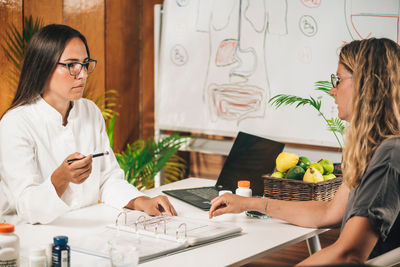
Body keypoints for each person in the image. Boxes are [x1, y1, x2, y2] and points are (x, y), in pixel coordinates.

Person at [209, 38, 400, 264]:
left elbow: (348, 254)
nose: (332, 90)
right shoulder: (373, 150)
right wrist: (250, 203)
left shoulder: (389, 156)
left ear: (366, 84)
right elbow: (328, 213)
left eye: (338, 80)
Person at [0, 24, 177, 224]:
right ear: (44, 67)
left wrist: (141, 201)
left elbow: (108, 178)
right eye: (72, 65)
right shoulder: (16, 123)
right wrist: (61, 178)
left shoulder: (89, 111)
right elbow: (26, 207)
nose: (83, 74)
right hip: (30, 235)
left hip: (86, 226)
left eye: (85, 64)